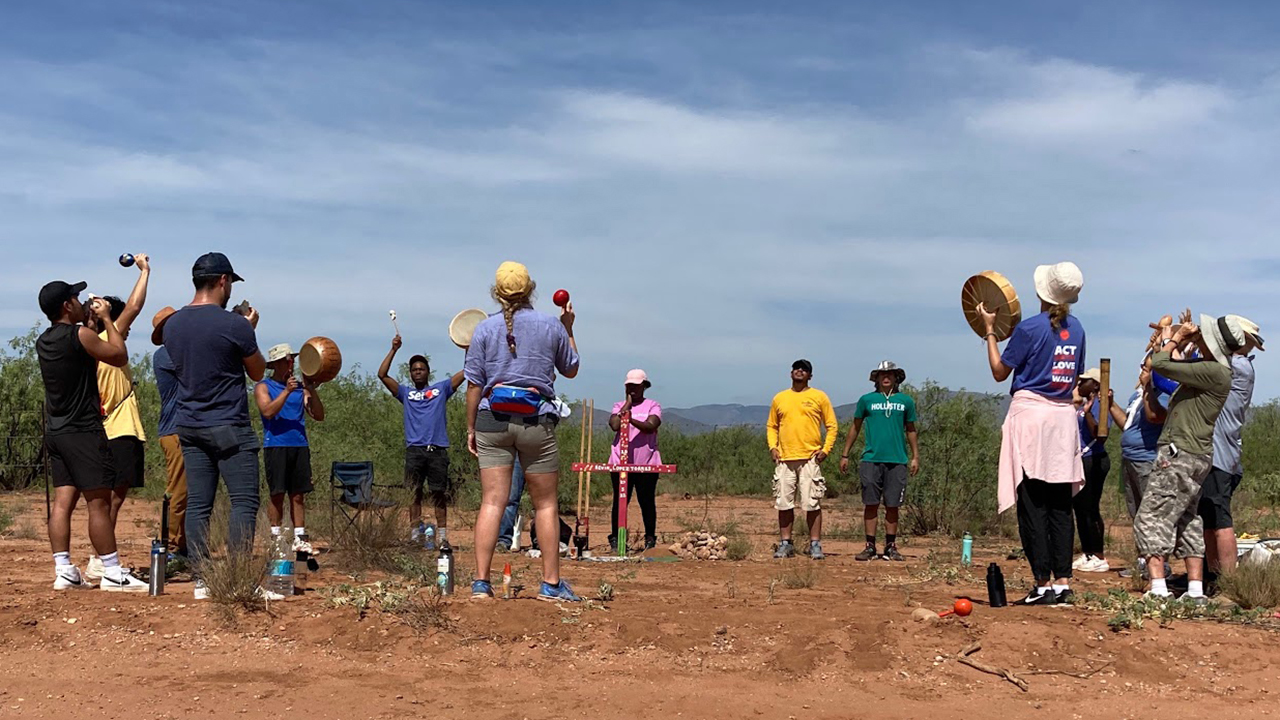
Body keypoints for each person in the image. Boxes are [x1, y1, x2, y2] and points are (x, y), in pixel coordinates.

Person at [464, 261, 581, 601]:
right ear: (531, 289)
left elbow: (474, 385)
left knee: (492, 502)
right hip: (536, 420)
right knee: (545, 505)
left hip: (492, 420)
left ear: (496, 293)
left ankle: (481, 584)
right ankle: (551, 584)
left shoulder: (485, 329)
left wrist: (470, 428)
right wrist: (569, 327)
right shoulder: (550, 325)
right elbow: (571, 369)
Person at [160, 252, 268, 601]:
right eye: (231, 284)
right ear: (223, 281)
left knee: (198, 506)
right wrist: (248, 330)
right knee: (244, 501)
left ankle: (202, 580)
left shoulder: (173, 325)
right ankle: (237, 578)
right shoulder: (234, 325)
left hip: (188, 424)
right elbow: (257, 372)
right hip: (229, 424)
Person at [977, 261, 1086, 605]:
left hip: (1032, 418)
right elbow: (1074, 376)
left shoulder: (1029, 329)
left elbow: (999, 372)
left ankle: (1041, 584)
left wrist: (990, 330)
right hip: (1063, 420)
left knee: (1033, 503)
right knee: (1059, 505)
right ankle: (1063, 582)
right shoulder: (1078, 329)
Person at [37, 279, 146, 591]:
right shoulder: (79, 335)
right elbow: (119, 354)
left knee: (62, 501)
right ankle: (112, 571)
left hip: (56, 431)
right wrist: (108, 318)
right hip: (83, 430)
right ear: (66, 306)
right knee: (98, 501)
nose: (81, 300)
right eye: (76, 297)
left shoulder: (43, 341)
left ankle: (63, 570)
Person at [1134, 314, 1250, 602]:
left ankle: (1159, 588)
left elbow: (1159, 365)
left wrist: (1174, 338)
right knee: (1187, 519)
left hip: (1179, 452)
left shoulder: (1212, 370)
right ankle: (1195, 589)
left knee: (1152, 515)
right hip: (1197, 454)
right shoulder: (1218, 371)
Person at [83, 254, 151, 583]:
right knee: (114, 497)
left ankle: (99, 557)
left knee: (109, 496)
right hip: (120, 428)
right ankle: (100, 559)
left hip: (102, 428)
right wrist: (145, 271)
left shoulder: (82, 345)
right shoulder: (105, 343)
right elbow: (135, 308)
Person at [377, 336, 464, 542]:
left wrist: (469, 346)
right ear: (410, 373)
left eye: (421, 369)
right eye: (414, 369)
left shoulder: (440, 390)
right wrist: (393, 349)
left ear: (428, 372)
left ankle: (442, 536)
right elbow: (382, 374)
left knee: (438, 494)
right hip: (414, 450)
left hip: (437, 450)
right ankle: (415, 535)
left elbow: (466, 372)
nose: (418, 372)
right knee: (413, 494)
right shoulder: (405, 393)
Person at [1199, 316, 1262, 580]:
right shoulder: (1238, 365)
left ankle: (1228, 580)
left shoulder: (1236, 367)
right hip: (1223, 453)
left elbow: (1198, 365)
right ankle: (1213, 578)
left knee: (1220, 519)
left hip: (1220, 456)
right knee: (1210, 519)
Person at [839, 361, 919, 562]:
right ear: (876, 378)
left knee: (893, 505)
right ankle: (870, 546)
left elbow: (911, 429)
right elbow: (855, 427)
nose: (886, 378)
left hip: (897, 459)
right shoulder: (866, 400)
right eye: (882, 375)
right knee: (871, 503)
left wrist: (915, 456)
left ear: (896, 378)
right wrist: (845, 454)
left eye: (890, 375)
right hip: (871, 459)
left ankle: (891, 546)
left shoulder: (906, 401)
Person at [255, 343, 326, 554]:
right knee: (277, 494)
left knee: (298, 494)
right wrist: (286, 391)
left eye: (292, 360)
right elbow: (267, 411)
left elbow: (319, 415)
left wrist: (310, 389)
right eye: (287, 360)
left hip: (299, 445)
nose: (291, 364)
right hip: (276, 445)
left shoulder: (300, 389)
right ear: (276, 364)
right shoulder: (264, 386)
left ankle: (300, 537)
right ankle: (276, 538)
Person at [766, 359, 838, 560]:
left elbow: (831, 425)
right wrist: (773, 447)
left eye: (804, 369)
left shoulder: (819, 397)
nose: (800, 371)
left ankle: (815, 544)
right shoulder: (780, 398)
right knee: (783, 503)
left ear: (810, 376)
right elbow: (772, 425)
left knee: (811, 503)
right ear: (791, 373)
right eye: (796, 368)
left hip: (809, 459)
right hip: (785, 459)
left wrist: (826, 450)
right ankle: (785, 543)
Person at [1116, 364, 1169, 579]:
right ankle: (1142, 560)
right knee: (1136, 513)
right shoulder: (1137, 396)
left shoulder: (1162, 394)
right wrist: (1110, 404)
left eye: (1147, 368)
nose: (1141, 371)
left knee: (1152, 515)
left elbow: (1155, 416)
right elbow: (1127, 425)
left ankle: (1159, 565)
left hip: (1148, 460)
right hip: (1130, 458)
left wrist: (1148, 388)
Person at [607, 369, 663, 552]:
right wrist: (628, 405)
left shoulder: (653, 405)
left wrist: (631, 420)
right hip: (620, 462)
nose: (633, 389)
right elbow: (615, 425)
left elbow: (651, 426)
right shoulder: (619, 406)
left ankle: (650, 538)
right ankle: (616, 538)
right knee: (620, 501)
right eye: (629, 386)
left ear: (644, 387)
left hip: (646, 462)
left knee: (646, 500)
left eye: (636, 386)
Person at [150, 306, 188, 558]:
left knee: (187, 488)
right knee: (179, 489)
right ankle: (172, 545)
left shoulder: (174, 352)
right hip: (175, 430)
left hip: (181, 428)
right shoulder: (166, 355)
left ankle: (180, 543)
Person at [1070, 368, 1111, 573]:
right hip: (1081, 459)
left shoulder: (1100, 406)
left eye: (1085, 381)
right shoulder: (1084, 403)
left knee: (1090, 507)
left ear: (1095, 384)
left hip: (1094, 459)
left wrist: (1087, 413)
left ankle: (1098, 554)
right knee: (1080, 507)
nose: (1080, 384)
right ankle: (1087, 553)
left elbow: (1100, 433)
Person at [495, 459, 525, 552]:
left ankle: (541, 541)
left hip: (537, 450)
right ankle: (504, 540)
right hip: (515, 454)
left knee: (543, 502)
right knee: (510, 498)